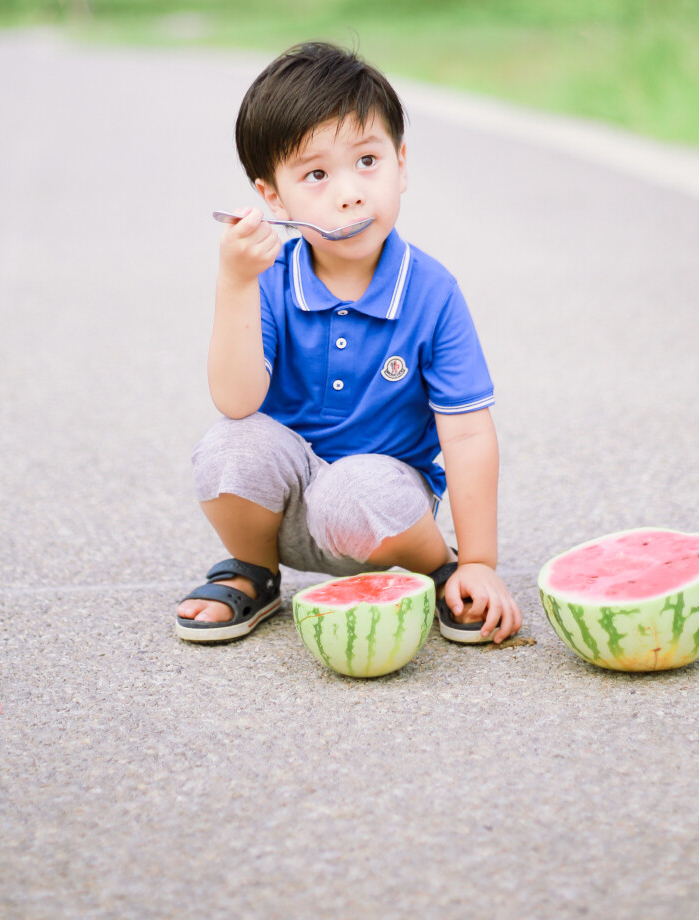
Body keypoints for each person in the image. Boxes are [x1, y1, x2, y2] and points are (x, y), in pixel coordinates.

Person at [175, 41, 522, 646]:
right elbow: (236, 400)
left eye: (367, 161)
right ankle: (255, 573)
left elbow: (465, 431)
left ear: (402, 163)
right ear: (274, 199)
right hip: (284, 510)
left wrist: (479, 563)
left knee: (358, 486)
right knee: (228, 446)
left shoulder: (431, 292)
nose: (351, 192)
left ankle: (439, 571)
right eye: (316, 174)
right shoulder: (270, 282)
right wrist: (235, 283)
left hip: (385, 519)